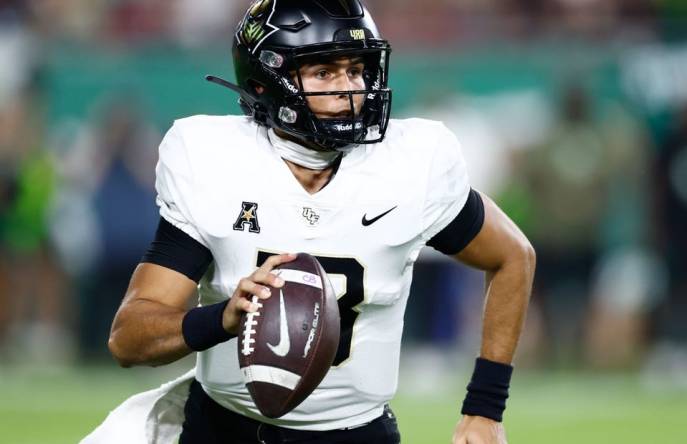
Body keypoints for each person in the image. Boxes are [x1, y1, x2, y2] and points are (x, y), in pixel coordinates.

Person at [99, 1, 535, 443]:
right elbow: (129, 339)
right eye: (325, 73)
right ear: (265, 82)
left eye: (357, 70)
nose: (350, 90)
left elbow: (512, 256)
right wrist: (220, 318)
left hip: (354, 434)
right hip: (222, 428)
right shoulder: (215, 162)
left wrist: (485, 408)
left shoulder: (411, 166)